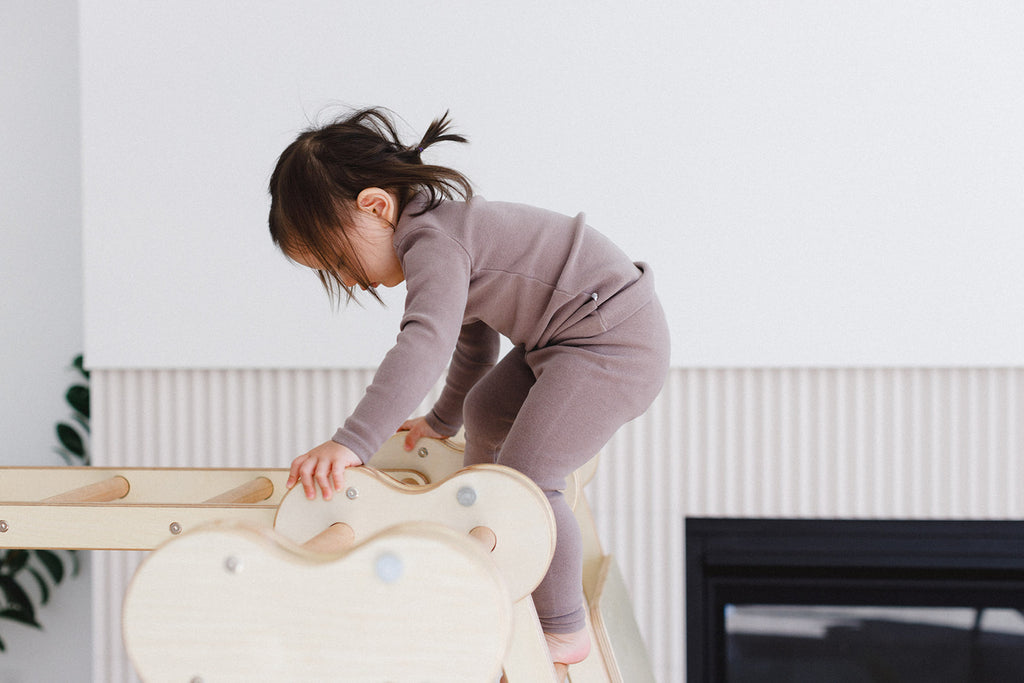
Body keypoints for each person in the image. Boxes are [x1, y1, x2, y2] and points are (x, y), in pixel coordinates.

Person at [269, 107, 670, 674]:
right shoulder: (448, 235)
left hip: (612, 342)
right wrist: (441, 421)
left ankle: (562, 625)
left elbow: (423, 345)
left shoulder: (434, 242)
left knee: (532, 478)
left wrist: (353, 442)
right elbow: (472, 348)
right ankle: (485, 532)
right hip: (565, 343)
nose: (352, 281)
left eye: (339, 262)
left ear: (376, 207)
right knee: (487, 407)